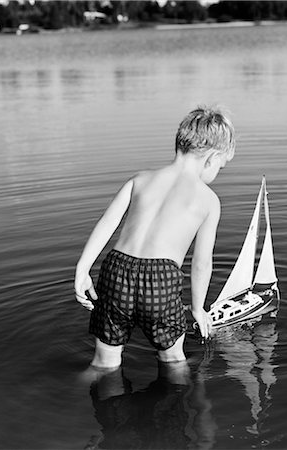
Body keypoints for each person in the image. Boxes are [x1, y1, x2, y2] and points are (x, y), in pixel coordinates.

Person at [74, 106, 235, 368]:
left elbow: (108, 223)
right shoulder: (208, 200)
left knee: (104, 362)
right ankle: (182, 402)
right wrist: (197, 309)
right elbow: (202, 263)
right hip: (160, 278)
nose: (217, 173)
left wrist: (83, 270)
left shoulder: (139, 180)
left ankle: (73, 396)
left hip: (116, 269)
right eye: (221, 166)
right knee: (173, 360)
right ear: (211, 158)